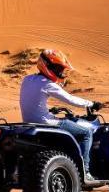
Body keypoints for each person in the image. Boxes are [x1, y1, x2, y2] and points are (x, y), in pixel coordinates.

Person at [20, 49, 96, 182]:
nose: (60, 72)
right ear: (47, 66)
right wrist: (91, 104)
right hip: (47, 123)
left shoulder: (27, 79)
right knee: (86, 133)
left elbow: (33, 100)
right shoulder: (47, 84)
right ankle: (85, 172)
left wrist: (49, 110)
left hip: (29, 122)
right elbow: (71, 100)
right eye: (57, 68)